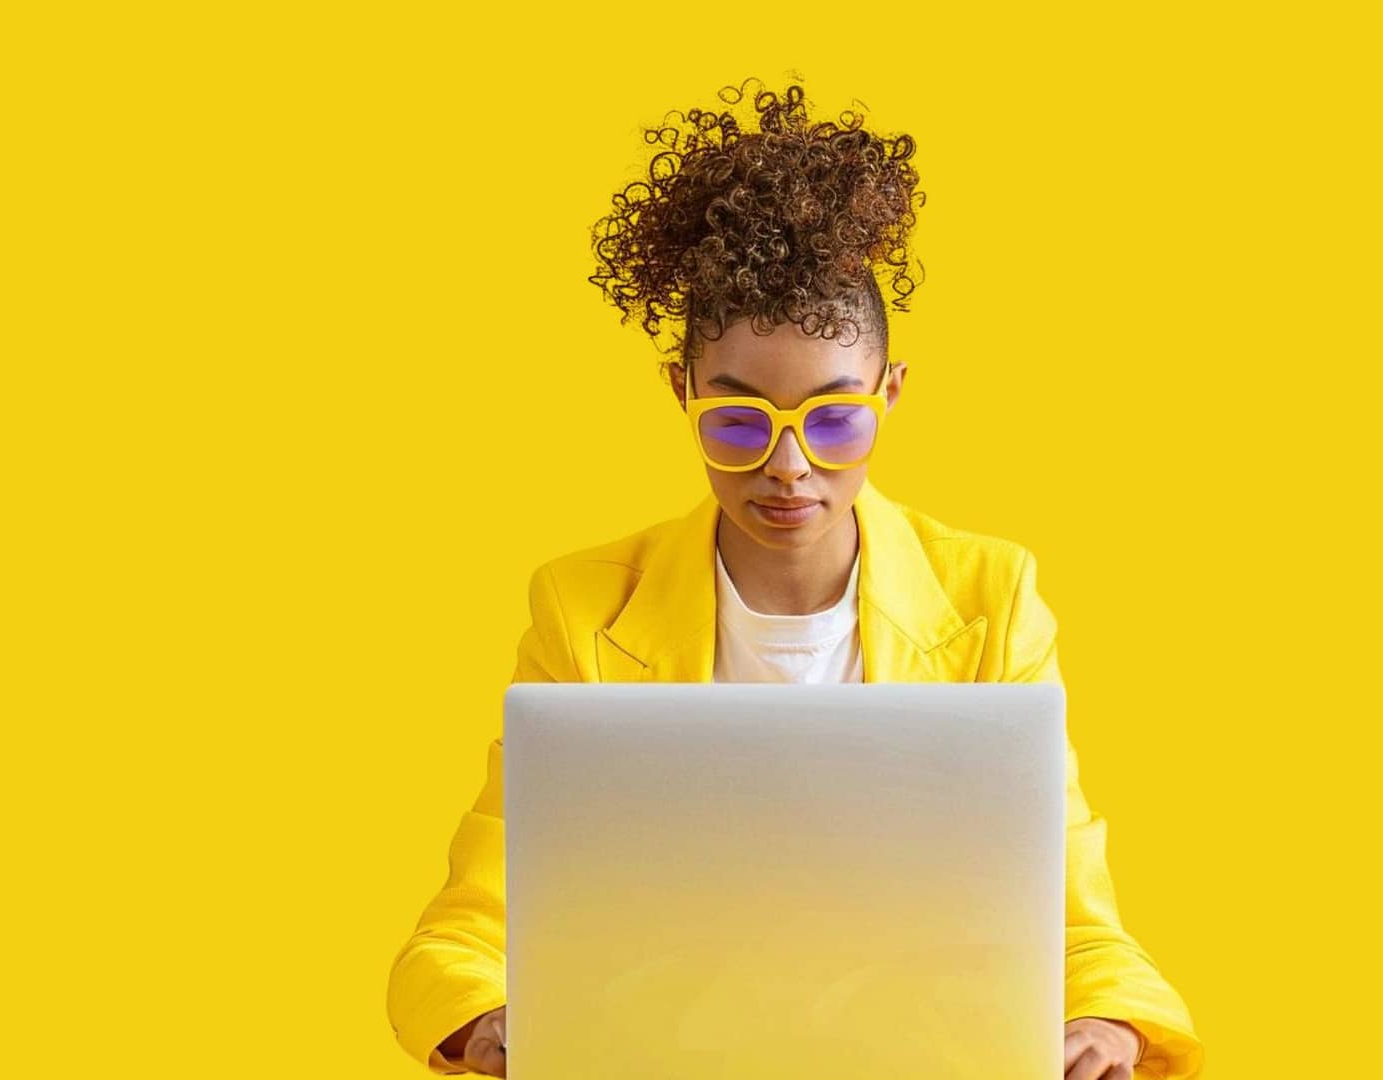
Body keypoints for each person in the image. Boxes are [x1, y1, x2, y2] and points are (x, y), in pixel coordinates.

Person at [383, 78, 1203, 1080]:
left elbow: (1077, 922)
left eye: (833, 418)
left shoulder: (992, 598)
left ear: (889, 396)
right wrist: (487, 1020)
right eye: (737, 421)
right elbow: (468, 932)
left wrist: (1110, 1026)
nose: (788, 466)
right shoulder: (583, 609)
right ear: (679, 393)